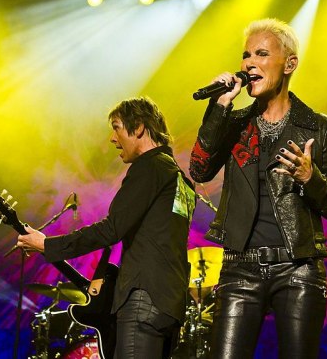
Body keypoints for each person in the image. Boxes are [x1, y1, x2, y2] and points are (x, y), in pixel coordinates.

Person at [189, 18, 327, 358]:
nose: (249, 63)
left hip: (298, 268)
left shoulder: (320, 129)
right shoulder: (234, 124)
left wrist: (310, 178)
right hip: (240, 266)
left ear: (289, 64)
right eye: (246, 55)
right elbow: (199, 169)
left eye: (261, 54)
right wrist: (219, 106)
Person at [17, 96, 196, 359]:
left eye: (116, 127)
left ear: (139, 128)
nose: (112, 138)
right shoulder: (181, 180)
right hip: (169, 305)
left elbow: (111, 229)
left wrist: (47, 244)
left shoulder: (149, 167)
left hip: (143, 298)